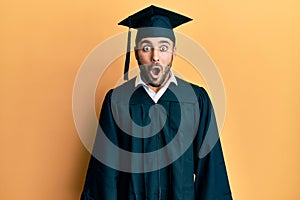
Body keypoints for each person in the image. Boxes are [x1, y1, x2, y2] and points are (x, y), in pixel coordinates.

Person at [81, 5, 232, 200]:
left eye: (163, 48)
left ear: (173, 52)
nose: (155, 57)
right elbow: (105, 175)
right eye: (146, 48)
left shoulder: (195, 100)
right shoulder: (117, 101)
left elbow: (211, 171)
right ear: (136, 52)